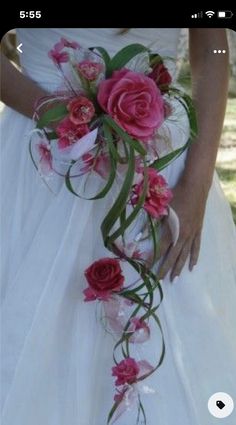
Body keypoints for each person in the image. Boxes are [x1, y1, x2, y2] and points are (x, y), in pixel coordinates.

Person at [1, 28, 236, 425]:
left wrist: (194, 189)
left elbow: (212, 49)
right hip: (45, 160)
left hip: (164, 167)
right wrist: (59, 115)